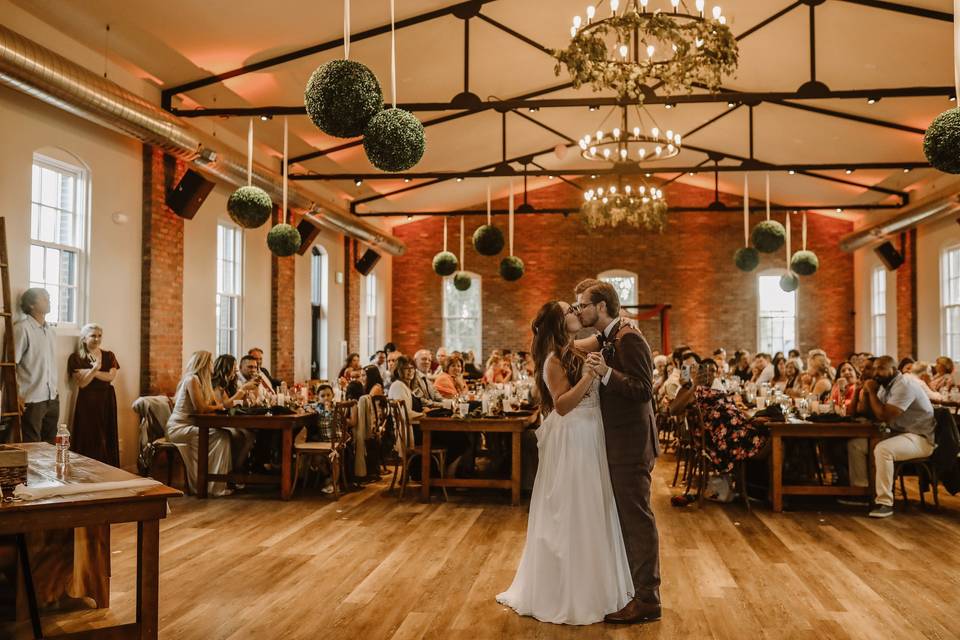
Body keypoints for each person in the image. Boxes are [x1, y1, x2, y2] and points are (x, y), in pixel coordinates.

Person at [497, 300, 632, 625]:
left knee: (592, 508)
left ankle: (594, 585)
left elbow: (600, 338)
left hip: (589, 434)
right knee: (573, 510)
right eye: (570, 310)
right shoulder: (554, 360)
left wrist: (623, 322)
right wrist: (588, 376)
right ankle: (567, 592)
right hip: (573, 436)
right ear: (560, 322)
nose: (575, 312)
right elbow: (561, 405)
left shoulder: (571, 347)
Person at [576, 280, 661, 623]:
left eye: (583, 305)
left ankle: (648, 600)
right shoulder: (611, 335)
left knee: (637, 520)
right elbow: (574, 344)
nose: (579, 310)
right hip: (620, 443)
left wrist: (606, 373)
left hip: (631, 445)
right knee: (627, 519)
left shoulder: (629, 338)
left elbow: (643, 390)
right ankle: (633, 590)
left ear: (601, 307)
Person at [848, 356, 936, 518]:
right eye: (875, 369)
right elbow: (867, 412)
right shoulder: (884, 386)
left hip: (920, 437)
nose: (876, 373)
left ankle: (885, 503)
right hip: (898, 433)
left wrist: (872, 392)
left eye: (881, 368)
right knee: (856, 444)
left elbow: (883, 415)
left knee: (883, 449)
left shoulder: (904, 386)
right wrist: (864, 392)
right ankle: (862, 491)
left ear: (894, 369)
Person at [166, 351, 234, 496]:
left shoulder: (203, 381)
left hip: (191, 426)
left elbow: (210, 405)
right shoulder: (192, 379)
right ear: (204, 364)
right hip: (179, 428)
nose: (212, 366)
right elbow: (201, 408)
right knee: (221, 437)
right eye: (210, 362)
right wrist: (222, 406)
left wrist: (219, 404)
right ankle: (212, 486)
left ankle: (212, 483)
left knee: (224, 435)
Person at [67, 323, 120, 465]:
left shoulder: (109, 355)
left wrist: (91, 373)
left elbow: (110, 377)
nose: (97, 339)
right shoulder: (76, 357)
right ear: (84, 339)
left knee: (106, 433)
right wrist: (96, 368)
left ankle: (108, 467)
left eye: (99, 336)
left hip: (107, 398)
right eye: (93, 336)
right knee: (88, 433)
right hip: (87, 399)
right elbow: (83, 384)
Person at [14, 288, 59, 443]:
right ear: (31, 304)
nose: (49, 300)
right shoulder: (22, 328)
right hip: (32, 398)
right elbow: (11, 364)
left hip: (52, 397)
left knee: (51, 446)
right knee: (33, 447)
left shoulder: (51, 331)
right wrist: (16, 395)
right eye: (44, 298)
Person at [211, 354, 259, 470]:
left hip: (227, 420)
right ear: (226, 369)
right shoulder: (216, 385)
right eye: (234, 369)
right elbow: (224, 405)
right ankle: (236, 469)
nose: (235, 372)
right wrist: (243, 390)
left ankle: (240, 467)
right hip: (216, 422)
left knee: (251, 433)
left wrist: (245, 399)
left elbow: (233, 402)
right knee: (245, 435)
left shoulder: (228, 384)